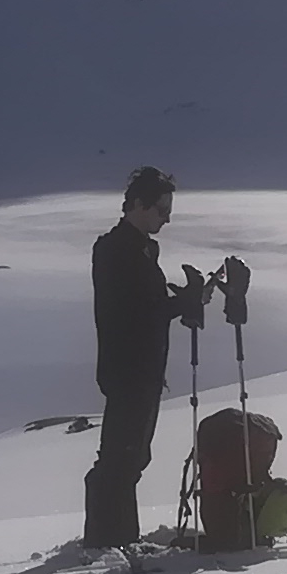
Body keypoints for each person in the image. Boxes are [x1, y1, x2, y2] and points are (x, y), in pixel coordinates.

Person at [81, 166, 197, 549]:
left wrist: (182, 302)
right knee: (122, 456)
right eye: (162, 210)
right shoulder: (115, 250)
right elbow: (136, 311)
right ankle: (109, 540)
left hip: (144, 366)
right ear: (139, 205)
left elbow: (148, 306)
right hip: (127, 367)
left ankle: (114, 538)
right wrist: (180, 304)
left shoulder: (142, 249)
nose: (167, 219)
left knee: (132, 454)